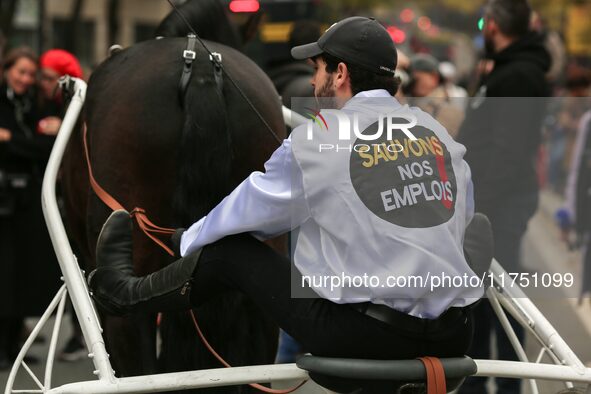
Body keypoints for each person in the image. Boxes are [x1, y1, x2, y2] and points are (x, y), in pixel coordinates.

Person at [89, 16, 481, 370]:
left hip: (367, 337)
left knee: (230, 249)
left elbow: (249, 211)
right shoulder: (435, 132)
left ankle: (126, 294)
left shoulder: (321, 137)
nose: (313, 81)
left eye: (319, 69)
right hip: (454, 332)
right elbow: (459, 217)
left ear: (340, 73)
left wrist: (182, 239)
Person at [456, 0, 551, 393]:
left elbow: (507, 153)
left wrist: (478, 212)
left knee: (501, 304)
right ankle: (480, 382)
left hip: (496, 206)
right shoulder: (508, 70)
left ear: (492, 25)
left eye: (482, 23)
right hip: (491, 203)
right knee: (480, 305)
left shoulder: (518, 75)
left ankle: (508, 384)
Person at [0, 47, 61, 369]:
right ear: (7, 69)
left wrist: (10, 139)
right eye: (19, 71)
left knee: (23, 274)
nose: (24, 79)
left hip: (29, 200)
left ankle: (13, 346)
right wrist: (25, 144)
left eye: (29, 73)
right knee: (5, 273)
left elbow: (46, 148)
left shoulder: (39, 103)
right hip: (4, 199)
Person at [406, 54, 465, 138]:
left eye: (416, 79)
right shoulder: (408, 100)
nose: (411, 83)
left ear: (434, 78)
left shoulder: (448, 110)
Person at [37, 48, 83, 136]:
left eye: (50, 79)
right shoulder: (38, 98)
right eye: (42, 77)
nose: (43, 83)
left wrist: (63, 127)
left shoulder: (76, 104)